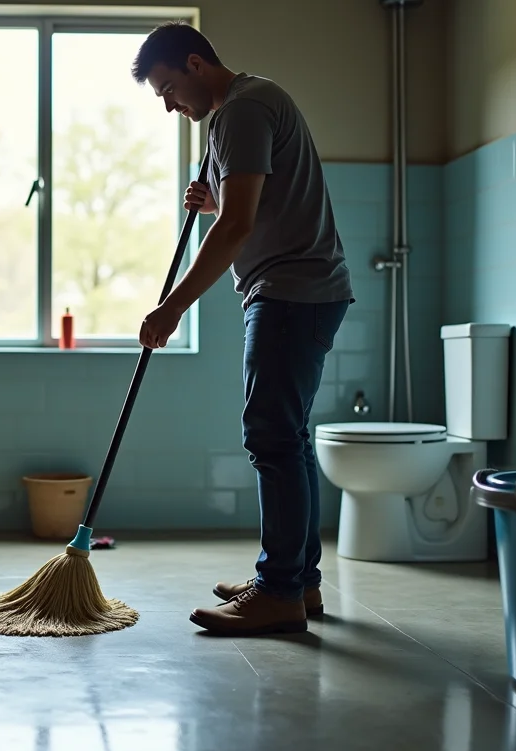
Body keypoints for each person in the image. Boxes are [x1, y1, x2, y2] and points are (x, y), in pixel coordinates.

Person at [131, 21, 354, 636]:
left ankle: (279, 591)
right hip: (304, 289)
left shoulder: (241, 112)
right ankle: (296, 583)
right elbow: (246, 208)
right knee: (289, 438)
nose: (170, 106)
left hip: (289, 291)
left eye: (170, 89)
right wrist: (216, 202)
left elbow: (235, 228)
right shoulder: (251, 103)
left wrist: (172, 306)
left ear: (197, 65)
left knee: (271, 437)